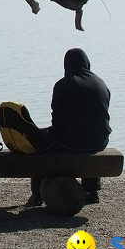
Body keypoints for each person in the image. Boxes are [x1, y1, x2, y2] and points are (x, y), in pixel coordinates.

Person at [25, 47, 111, 207]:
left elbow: (56, 119)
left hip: (71, 142)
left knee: (37, 140)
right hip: (99, 140)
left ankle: (37, 193)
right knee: (89, 131)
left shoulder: (63, 85)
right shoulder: (101, 84)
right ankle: (92, 190)